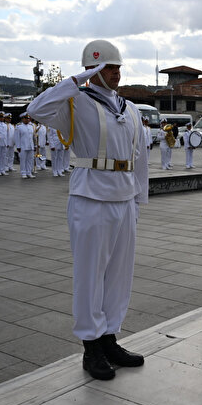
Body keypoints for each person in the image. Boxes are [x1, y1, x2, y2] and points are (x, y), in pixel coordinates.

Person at [27, 39, 148, 381]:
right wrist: (75, 80)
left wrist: (140, 199)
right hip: (91, 196)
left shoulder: (131, 108)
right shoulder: (75, 101)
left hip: (124, 197)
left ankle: (110, 337)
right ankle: (91, 346)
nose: (115, 74)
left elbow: (138, 159)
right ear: (92, 70)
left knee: (119, 275)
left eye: (117, 68)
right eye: (108, 68)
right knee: (90, 274)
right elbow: (36, 110)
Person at [14, 113, 37, 178]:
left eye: (28, 118)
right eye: (25, 118)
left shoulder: (31, 126)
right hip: (23, 146)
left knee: (30, 160)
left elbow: (33, 137)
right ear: (22, 119)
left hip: (30, 145)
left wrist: (35, 145)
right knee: (23, 160)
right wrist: (18, 146)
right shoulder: (19, 127)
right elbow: (17, 137)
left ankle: (29, 172)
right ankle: (23, 173)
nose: (27, 120)